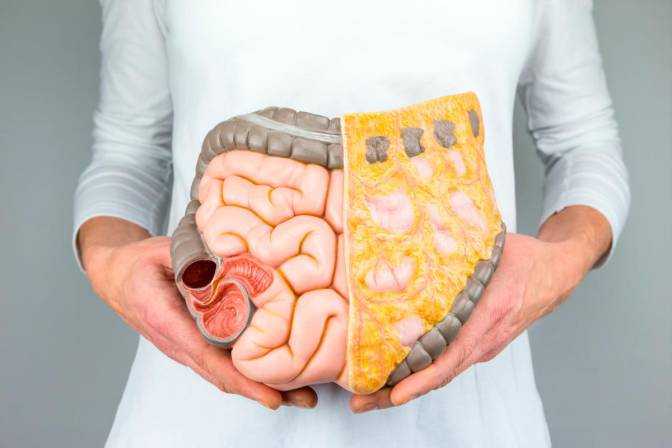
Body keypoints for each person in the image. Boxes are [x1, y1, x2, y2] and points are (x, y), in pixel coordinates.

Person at [73, 1, 630, 446]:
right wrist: (110, 264)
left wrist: (557, 263)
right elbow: (127, 154)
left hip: (469, 421)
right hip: (199, 419)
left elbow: (584, 143)